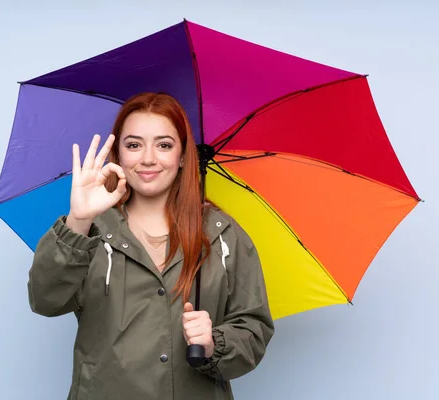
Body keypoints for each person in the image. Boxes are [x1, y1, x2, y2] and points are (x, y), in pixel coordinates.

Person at [27, 92, 275, 400]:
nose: (147, 158)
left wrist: (215, 342)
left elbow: (253, 329)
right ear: (118, 154)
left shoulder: (222, 235)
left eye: (164, 145)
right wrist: (78, 219)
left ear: (183, 155)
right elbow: (45, 300)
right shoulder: (90, 229)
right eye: (133, 145)